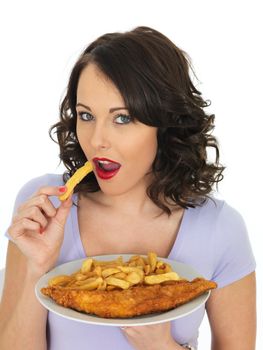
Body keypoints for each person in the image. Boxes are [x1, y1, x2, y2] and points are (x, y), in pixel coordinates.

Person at [0, 26, 256, 350]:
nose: (96, 140)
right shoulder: (43, 209)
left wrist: (160, 345)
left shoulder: (220, 228)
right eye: (86, 115)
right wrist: (36, 268)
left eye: (122, 118)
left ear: (164, 123)